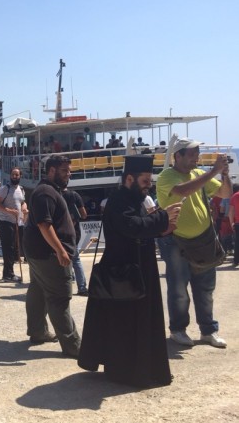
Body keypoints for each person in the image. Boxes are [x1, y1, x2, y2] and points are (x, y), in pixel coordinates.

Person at [78, 156, 182, 388]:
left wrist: (163, 228)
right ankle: (125, 371)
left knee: (142, 321)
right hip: (122, 271)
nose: (148, 185)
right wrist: (163, 216)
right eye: (145, 181)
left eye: (149, 181)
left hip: (141, 268)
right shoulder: (118, 200)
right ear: (129, 179)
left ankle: (145, 369)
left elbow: (142, 229)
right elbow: (132, 226)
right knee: (124, 324)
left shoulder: (136, 200)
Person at [156, 138, 231, 348]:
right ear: (177, 156)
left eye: (197, 153)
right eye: (191, 154)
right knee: (179, 289)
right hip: (175, 240)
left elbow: (225, 193)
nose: (196, 157)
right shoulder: (166, 176)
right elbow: (182, 191)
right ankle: (178, 330)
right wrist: (213, 171)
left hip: (202, 240)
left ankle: (208, 330)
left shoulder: (199, 174)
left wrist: (224, 174)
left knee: (205, 287)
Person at [23, 155, 80, 358]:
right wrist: (60, 250)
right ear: (52, 171)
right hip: (49, 255)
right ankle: (73, 345)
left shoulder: (49, 190)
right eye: (64, 171)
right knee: (59, 298)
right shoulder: (45, 192)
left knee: (38, 292)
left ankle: (38, 331)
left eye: (69, 171)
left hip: (38, 253)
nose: (68, 174)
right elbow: (44, 225)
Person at [0, 167, 27, 282]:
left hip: (16, 222)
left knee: (14, 248)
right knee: (8, 248)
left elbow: (22, 202)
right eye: (13, 174)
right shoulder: (5, 189)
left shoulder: (21, 189)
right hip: (5, 222)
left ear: (20, 176)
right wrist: (9, 211)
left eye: (17, 175)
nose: (14, 176)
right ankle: (8, 274)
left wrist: (24, 209)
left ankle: (9, 273)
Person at [62, 188, 88, 296]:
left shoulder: (54, 194)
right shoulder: (74, 195)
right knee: (76, 260)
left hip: (58, 232)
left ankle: (64, 286)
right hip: (73, 232)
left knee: (61, 258)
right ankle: (82, 288)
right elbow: (84, 215)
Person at [227, 184, 239, 267]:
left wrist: (231, 223)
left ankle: (236, 261)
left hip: (238, 223)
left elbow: (230, 212)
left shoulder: (234, 196)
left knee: (237, 243)